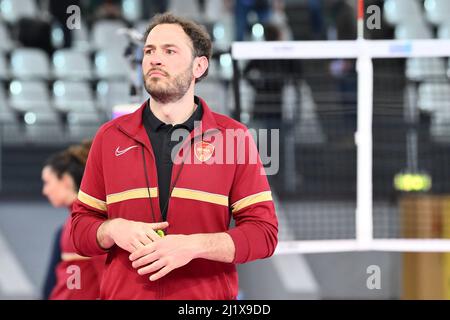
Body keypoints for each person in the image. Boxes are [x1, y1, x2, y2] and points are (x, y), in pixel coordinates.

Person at [71, 13, 278, 300]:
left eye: (169, 51)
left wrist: (194, 246)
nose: (155, 59)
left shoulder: (234, 138)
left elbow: (263, 234)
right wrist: (112, 229)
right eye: (149, 51)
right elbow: (79, 230)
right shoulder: (109, 137)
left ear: (199, 66)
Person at [41, 140, 105, 300]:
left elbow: (106, 277)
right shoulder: (70, 224)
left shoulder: (89, 222)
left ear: (66, 181)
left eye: (48, 182)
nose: (44, 190)